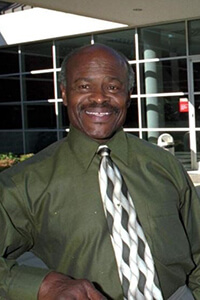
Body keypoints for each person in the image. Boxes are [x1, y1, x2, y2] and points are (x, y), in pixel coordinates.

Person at [0, 44, 200, 300]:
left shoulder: (164, 164)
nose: (99, 98)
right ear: (64, 93)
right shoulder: (23, 183)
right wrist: (42, 285)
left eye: (113, 87)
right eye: (84, 86)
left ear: (128, 95)